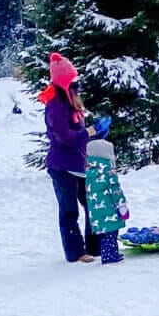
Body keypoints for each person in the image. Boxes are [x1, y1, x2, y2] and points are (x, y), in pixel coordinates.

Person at [39, 52, 96, 262]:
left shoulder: (73, 101)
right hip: (62, 167)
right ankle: (75, 252)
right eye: (72, 79)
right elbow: (65, 138)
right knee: (69, 211)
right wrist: (87, 132)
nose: (76, 83)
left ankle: (95, 245)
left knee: (91, 205)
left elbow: (79, 135)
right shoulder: (55, 105)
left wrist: (97, 131)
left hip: (79, 165)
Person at [84, 117, 129, 264]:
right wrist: (122, 206)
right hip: (109, 209)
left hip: (96, 212)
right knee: (111, 233)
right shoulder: (108, 171)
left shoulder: (90, 172)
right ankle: (110, 255)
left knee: (104, 234)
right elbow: (115, 189)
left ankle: (106, 253)